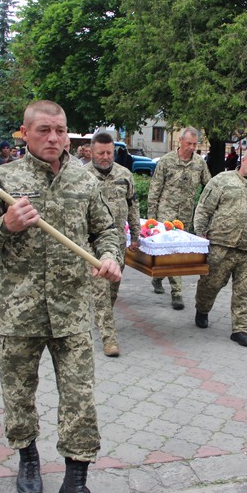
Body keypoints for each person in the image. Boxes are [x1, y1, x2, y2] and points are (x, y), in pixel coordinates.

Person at [0, 100, 121, 493]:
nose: (54, 138)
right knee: (18, 396)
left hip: (71, 312)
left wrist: (110, 256)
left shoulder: (84, 179)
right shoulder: (0, 180)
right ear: (25, 132)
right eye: (44, 130)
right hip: (19, 314)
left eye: (60, 130)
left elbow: (105, 229)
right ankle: (27, 457)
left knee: (80, 400)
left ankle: (75, 484)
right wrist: (5, 226)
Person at [193, 147, 247, 347]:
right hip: (220, 246)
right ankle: (202, 309)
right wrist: (200, 235)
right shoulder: (222, 181)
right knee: (210, 284)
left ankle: (240, 329)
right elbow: (204, 209)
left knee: (244, 291)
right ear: (244, 161)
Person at [84, 132, 141, 357]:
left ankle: (102, 316)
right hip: (90, 244)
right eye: (101, 153)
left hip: (117, 243)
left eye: (109, 153)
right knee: (99, 286)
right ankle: (109, 339)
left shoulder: (124, 175)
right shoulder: (82, 176)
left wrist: (135, 235)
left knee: (111, 289)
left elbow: (133, 206)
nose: (106, 157)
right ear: (91, 152)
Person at [147, 126, 211, 309]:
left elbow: (209, 187)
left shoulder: (199, 163)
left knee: (176, 252)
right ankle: (177, 292)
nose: (191, 147)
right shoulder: (166, 161)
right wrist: (151, 219)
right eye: (188, 143)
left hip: (184, 216)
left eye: (194, 143)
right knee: (170, 250)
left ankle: (159, 277)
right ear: (180, 141)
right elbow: (155, 190)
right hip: (165, 215)